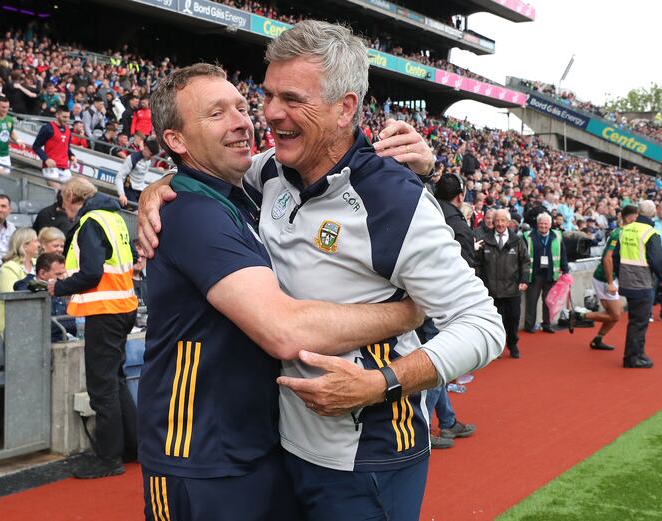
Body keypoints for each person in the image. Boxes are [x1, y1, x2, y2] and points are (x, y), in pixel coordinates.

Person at [140, 21, 503, 519]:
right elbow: (201, 162)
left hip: (369, 455)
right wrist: (158, 184)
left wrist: (384, 382)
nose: (268, 114)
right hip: (283, 448)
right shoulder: (268, 171)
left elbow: (484, 324)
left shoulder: (393, 200)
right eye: (267, 95)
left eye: (292, 98)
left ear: (345, 108)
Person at [48, 177, 138, 479]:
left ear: (73, 197)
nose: (65, 210)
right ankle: (131, 447)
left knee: (103, 387)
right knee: (116, 380)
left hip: (104, 310)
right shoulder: (115, 217)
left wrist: (58, 287)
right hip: (124, 307)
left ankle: (108, 458)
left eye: (65, 203)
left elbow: (91, 273)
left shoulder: (90, 222)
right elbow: (132, 259)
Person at [423, 173, 478, 448]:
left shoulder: (425, 212)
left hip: (420, 299)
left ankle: (447, 421)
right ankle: (421, 428)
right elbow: (466, 269)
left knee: (439, 365)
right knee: (438, 365)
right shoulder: (458, 224)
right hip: (443, 304)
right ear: (460, 197)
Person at [573, 205, 639, 350]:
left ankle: (598, 339)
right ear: (630, 218)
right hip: (604, 277)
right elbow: (607, 259)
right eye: (636, 218)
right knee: (615, 315)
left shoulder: (623, 232)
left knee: (615, 313)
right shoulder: (618, 234)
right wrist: (610, 282)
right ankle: (579, 316)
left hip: (612, 277)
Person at [615, 200, 662, 368]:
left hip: (627, 280)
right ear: (653, 213)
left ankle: (636, 353)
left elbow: (615, 257)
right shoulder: (650, 232)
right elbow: (657, 259)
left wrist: (620, 274)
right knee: (639, 321)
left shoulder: (625, 230)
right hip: (642, 281)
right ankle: (633, 357)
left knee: (635, 319)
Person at [476, 209, 529, 358]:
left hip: (512, 289)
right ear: (493, 222)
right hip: (491, 290)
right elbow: (478, 264)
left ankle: (512, 344)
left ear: (508, 222)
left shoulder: (517, 240)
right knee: (495, 321)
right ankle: (496, 348)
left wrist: (524, 279)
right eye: (497, 221)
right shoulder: (485, 240)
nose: (499, 224)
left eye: (502, 220)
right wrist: (480, 283)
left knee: (513, 319)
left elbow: (525, 261)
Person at [522, 212, 569, 333]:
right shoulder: (527, 236)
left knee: (548, 301)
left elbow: (563, 254)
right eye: (541, 224)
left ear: (550, 224)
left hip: (550, 274)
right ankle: (529, 325)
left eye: (545, 224)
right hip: (534, 274)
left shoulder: (558, 236)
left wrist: (565, 270)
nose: (543, 226)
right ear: (537, 224)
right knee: (531, 301)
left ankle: (547, 324)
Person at [14, 253, 75, 342]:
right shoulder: (25, 287)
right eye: (58, 274)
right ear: (42, 273)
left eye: (63, 273)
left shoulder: (60, 286)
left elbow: (71, 325)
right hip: (36, 344)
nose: (62, 278)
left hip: (64, 340)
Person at [32, 105, 78, 187]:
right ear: (57, 115)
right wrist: (46, 159)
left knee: (71, 193)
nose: (67, 120)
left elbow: (65, 147)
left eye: (68, 117)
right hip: (51, 167)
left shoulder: (68, 130)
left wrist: (71, 156)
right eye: (64, 117)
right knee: (57, 192)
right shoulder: (47, 128)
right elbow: (36, 146)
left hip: (64, 167)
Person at [115, 139, 158, 208]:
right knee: (136, 213)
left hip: (140, 191)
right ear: (146, 149)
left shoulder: (148, 161)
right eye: (151, 154)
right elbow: (119, 177)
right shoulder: (132, 159)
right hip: (129, 190)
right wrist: (122, 195)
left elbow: (140, 178)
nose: (152, 157)